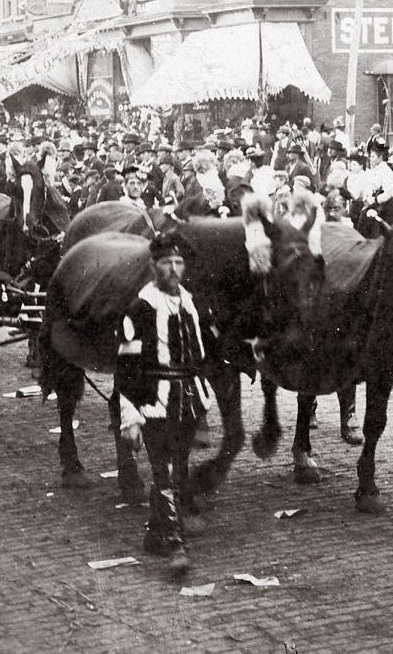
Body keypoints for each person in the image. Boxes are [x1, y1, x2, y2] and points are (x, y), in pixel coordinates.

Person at [117, 232, 216, 577]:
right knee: (166, 472)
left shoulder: (191, 302)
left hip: (188, 400)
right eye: (166, 263)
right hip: (155, 402)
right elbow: (126, 371)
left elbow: (203, 353)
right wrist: (130, 418)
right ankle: (176, 545)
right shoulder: (140, 309)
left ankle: (154, 534)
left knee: (178, 465)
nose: (174, 269)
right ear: (152, 266)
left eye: (178, 263)